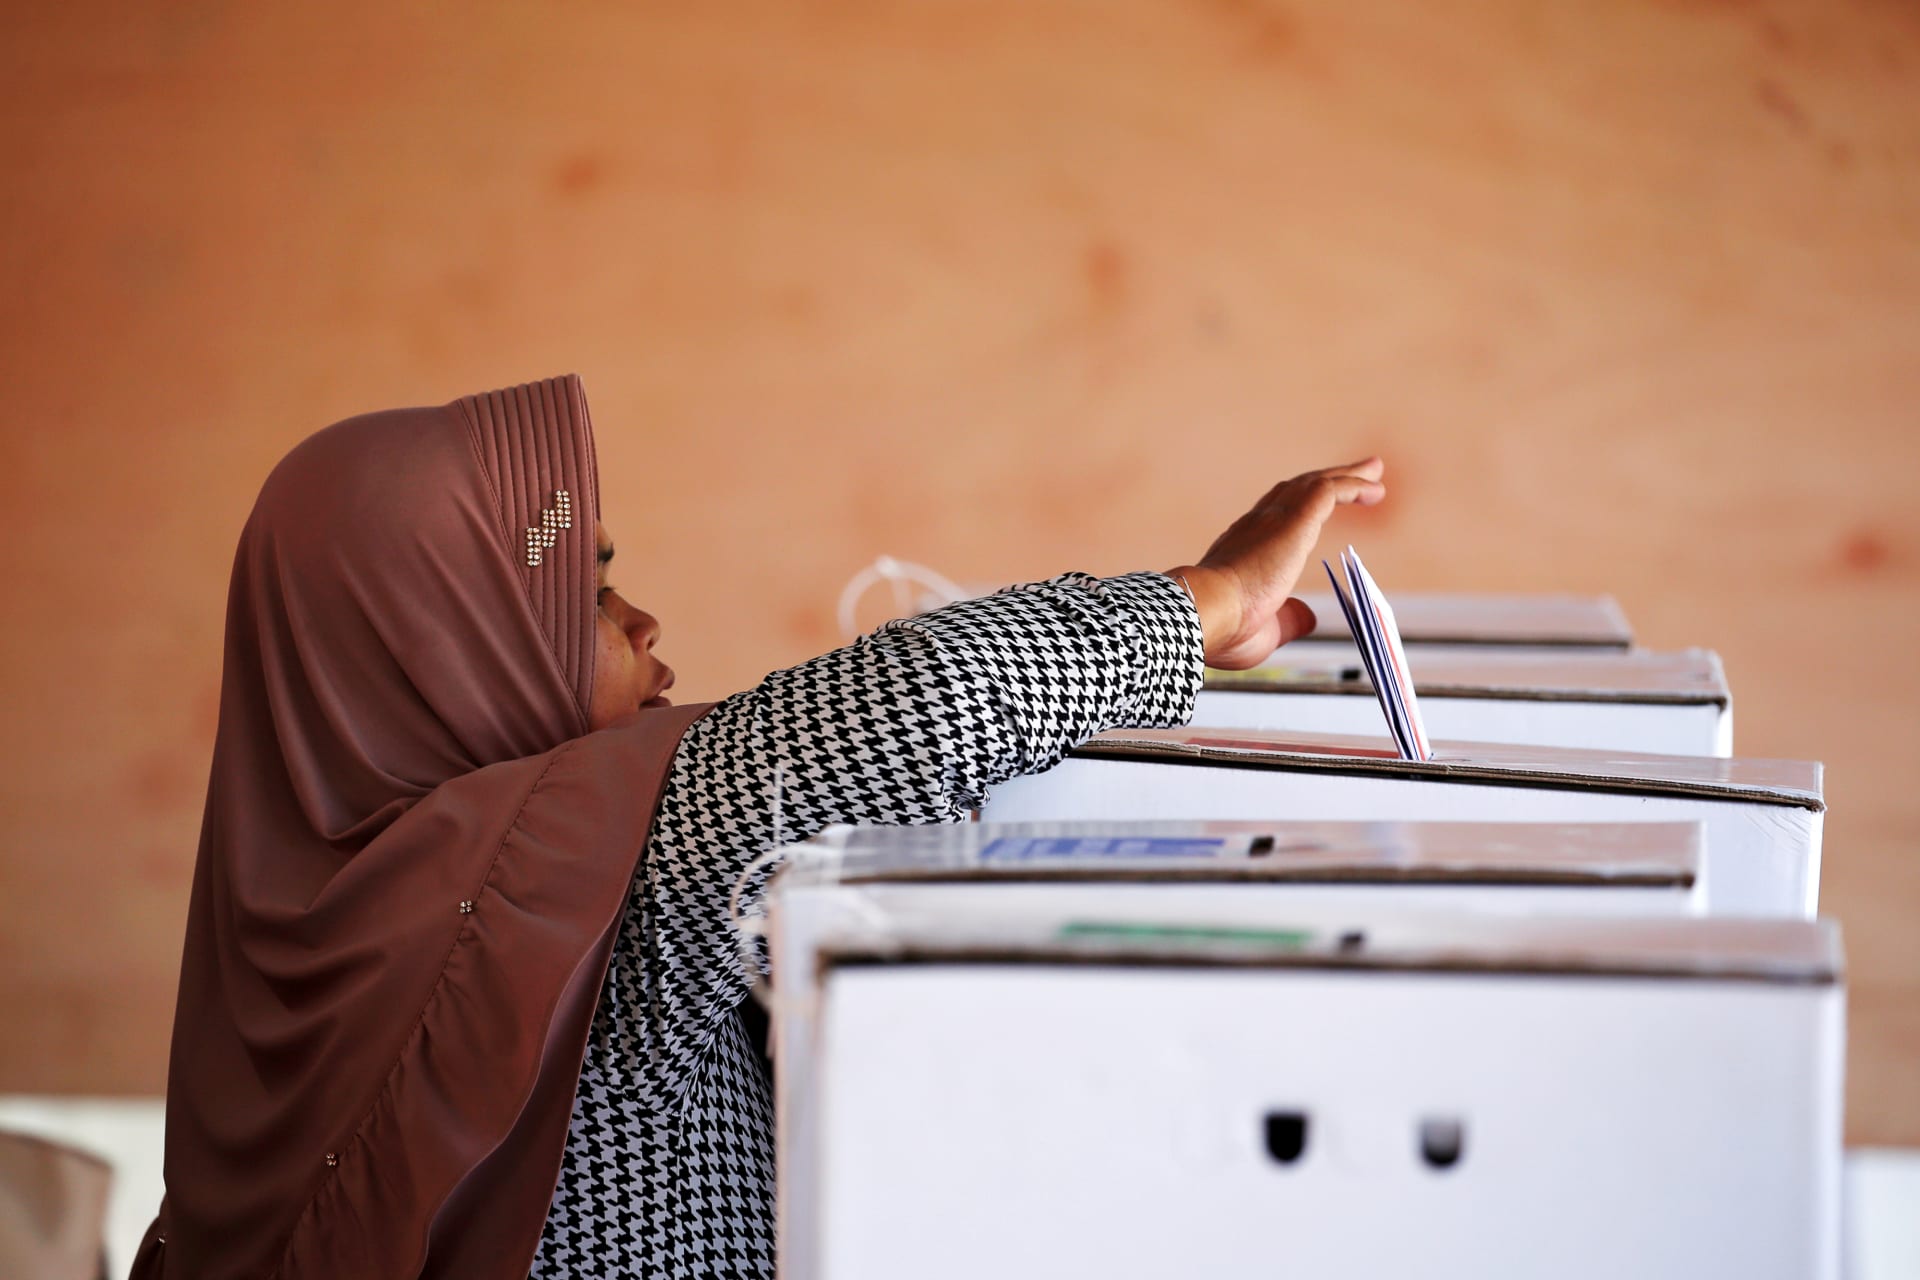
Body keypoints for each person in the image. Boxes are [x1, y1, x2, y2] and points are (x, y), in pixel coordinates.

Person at [133, 374, 1385, 1279]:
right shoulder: (550, 868)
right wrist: (1214, 596)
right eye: (589, 592)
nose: (645, 622)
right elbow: (926, 701)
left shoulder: (291, 923)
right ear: (445, 644)